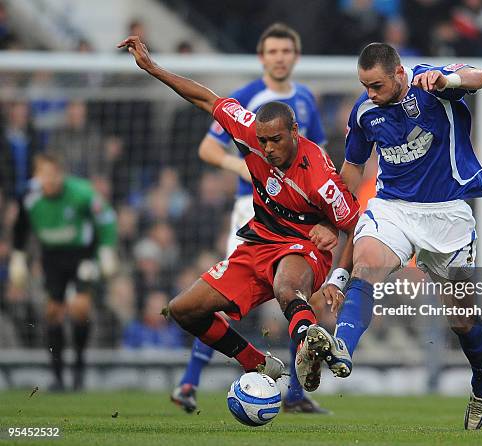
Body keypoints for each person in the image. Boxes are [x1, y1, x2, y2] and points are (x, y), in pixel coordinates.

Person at [118, 34, 359, 406]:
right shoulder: (251, 132)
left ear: (295, 133)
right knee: (184, 309)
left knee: (286, 287)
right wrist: (153, 68)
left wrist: (337, 264)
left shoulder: (320, 180)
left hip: (303, 245)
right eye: (262, 141)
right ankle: (257, 362)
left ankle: (310, 340)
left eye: (276, 140)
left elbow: (355, 224)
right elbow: (206, 98)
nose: (268, 149)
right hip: (259, 240)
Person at [298, 43, 482, 430]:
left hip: (448, 213)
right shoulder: (365, 112)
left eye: (376, 85)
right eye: (364, 86)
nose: (369, 94)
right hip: (394, 208)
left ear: (398, 73)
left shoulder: (431, 83)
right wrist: (329, 215)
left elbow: (480, 76)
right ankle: (342, 348)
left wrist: (447, 78)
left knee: (463, 320)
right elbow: (352, 170)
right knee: (366, 265)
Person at [173, 23, 329, 414]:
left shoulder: (305, 99)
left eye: (286, 51)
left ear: (295, 57)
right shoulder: (247, 96)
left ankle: (295, 388)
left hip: (302, 220)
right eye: (273, 51)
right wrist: (241, 167)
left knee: (296, 293)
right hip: (254, 210)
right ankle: (190, 382)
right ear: (262, 57)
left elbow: (321, 155)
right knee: (220, 296)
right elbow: (208, 148)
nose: (280, 58)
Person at [9, 152, 119, 390]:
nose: (48, 180)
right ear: (36, 175)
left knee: (79, 308)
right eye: (42, 174)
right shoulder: (28, 196)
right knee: (53, 312)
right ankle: (57, 377)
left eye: (52, 174)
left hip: (82, 255)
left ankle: (79, 367)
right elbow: (20, 227)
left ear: (60, 174)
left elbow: (106, 218)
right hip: (52, 257)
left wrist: (107, 250)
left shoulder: (81, 192)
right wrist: (18, 256)